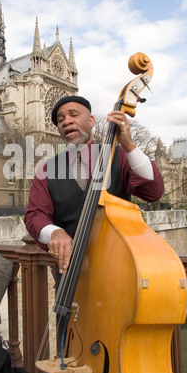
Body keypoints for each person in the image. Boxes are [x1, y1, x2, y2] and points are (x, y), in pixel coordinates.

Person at [24, 95, 164, 276]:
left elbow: (153, 191)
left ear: (91, 121)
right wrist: (55, 233)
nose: (66, 121)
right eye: (61, 120)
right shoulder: (46, 169)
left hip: (119, 267)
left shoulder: (119, 155)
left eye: (73, 115)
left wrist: (128, 144)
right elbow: (35, 214)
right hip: (70, 272)